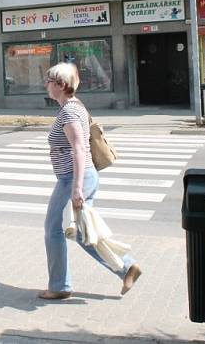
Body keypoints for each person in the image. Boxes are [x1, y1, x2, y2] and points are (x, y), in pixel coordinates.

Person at [39, 62, 142, 300]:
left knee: (53, 230)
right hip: (79, 177)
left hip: (74, 179)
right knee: (83, 233)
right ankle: (127, 268)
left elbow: (79, 149)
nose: (46, 85)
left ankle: (59, 286)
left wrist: (75, 188)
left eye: (49, 82)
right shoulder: (73, 107)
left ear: (61, 85)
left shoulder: (70, 111)